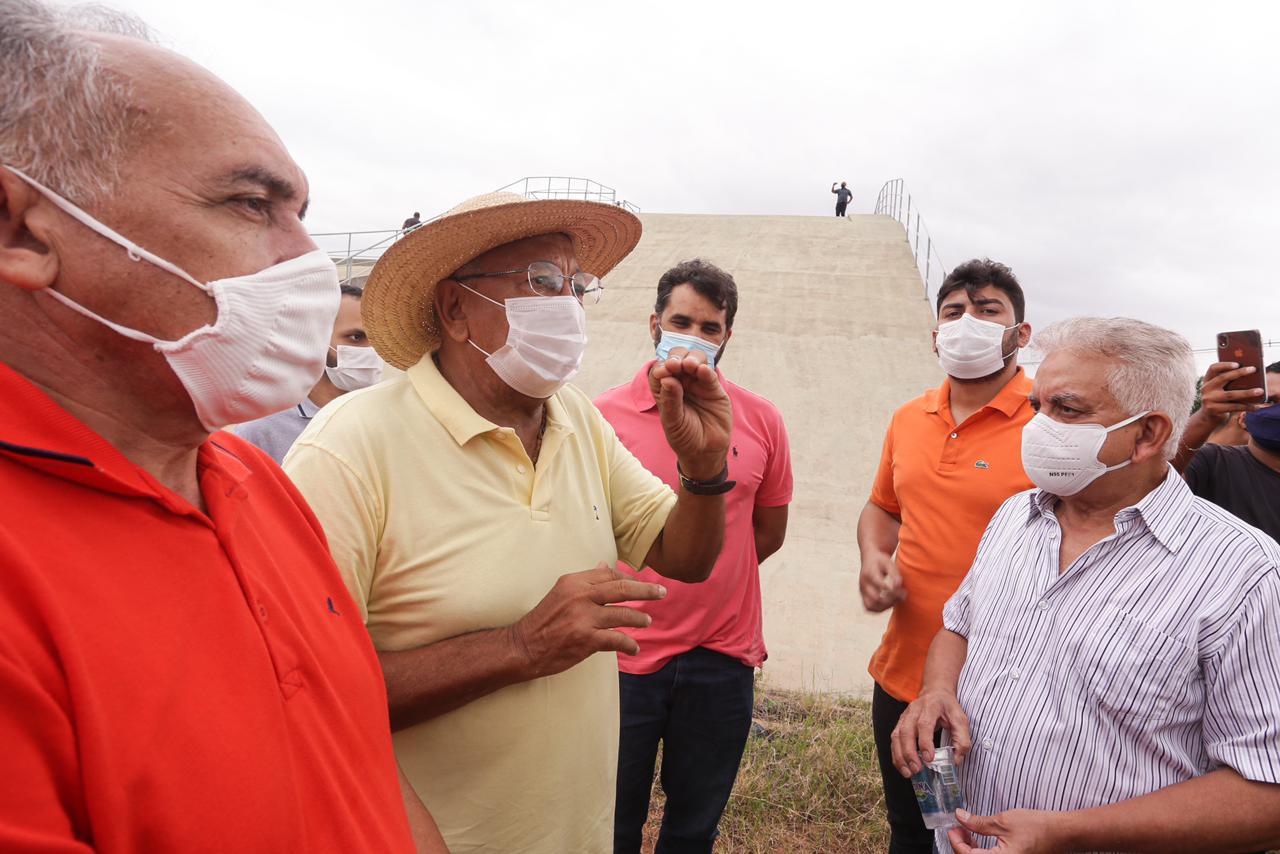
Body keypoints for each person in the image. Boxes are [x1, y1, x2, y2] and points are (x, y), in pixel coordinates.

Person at [0, 2, 445, 851]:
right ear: (20, 225)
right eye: (251, 205)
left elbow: (359, 761)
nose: (308, 262)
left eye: (303, 211)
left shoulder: (254, 483)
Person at [283, 191, 733, 853]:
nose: (569, 307)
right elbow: (299, 696)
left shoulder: (576, 418)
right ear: (456, 310)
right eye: (543, 283)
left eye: (578, 286)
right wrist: (518, 648)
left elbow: (680, 555)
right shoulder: (347, 452)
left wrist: (703, 468)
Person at [893, 317, 1280, 854]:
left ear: (1149, 434)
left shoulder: (1242, 574)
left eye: (1067, 410)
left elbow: (1267, 795)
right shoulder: (1014, 517)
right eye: (1038, 408)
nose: (1038, 427)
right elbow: (958, 629)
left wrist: (1068, 833)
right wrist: (935, 691)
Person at [595, 259, 793, 854]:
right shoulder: (601, 419)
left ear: (727, 336)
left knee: (693, 829)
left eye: (710, 327)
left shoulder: (761, 419)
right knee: (609, 825)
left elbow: (768, 530)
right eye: (682, 321)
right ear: (653, 323)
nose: (696, 337)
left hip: (721, 658)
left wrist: (710, 582)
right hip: (623, 655)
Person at [857, 258, 1034, 854]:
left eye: (988, 311)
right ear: (935, 332)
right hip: (904, 674)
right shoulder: (909, 418)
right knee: (911, 832)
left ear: (1021, 333)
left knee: (986, 839)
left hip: (1005, 687)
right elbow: (882, 508)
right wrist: (873, 557)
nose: (967, 323)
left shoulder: (1052, 422)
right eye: (954, 312)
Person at [236, 283, 383, 463]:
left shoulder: (387, 420)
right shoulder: (262, 429)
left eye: (377, 339)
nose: (371, 350)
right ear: (316, 339)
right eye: (356, 337)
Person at [1176, 361, 1280, 540]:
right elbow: (1148, 477)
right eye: (1269, 401)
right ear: (1244, 417)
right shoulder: (1212, 463)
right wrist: (1206, 417)